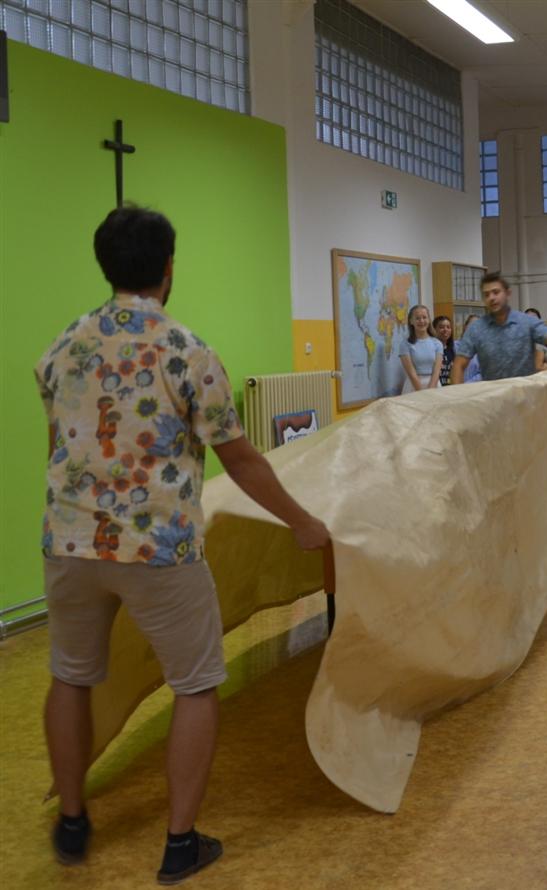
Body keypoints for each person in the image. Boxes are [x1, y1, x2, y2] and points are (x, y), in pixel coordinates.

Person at [36, 206, 331, 883]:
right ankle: (179, 843)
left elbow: (59, 448)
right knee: (195, 686)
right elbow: (242, 460)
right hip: (158, 548)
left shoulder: (63, 346)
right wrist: (302, 522)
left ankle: (73, 824)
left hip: (70, 541)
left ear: (104, 265)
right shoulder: (186, 351)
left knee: (71, 676)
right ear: (168, 268)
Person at [453, 275, 547, 385]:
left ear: (507, 293)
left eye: (496, 292)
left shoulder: (527, 322)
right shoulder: (476, 329)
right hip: (493, 397)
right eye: (486, 294)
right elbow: (459, 365)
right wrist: (457, 396)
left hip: (525, 396)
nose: (492, 298)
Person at [398, 304, 445, 394]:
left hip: (434, 385)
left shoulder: (437, 343)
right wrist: (422, 393)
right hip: (413, 387)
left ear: (429, 320)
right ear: (411, 321)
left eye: (424, 317)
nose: (422, 321)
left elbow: (437, 371)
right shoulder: (405, 344)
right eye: (417, 318)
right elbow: (411, 372)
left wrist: (430, 390)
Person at [432, 315, 455, 386]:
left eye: (448, 327)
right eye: (441, 327)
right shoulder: (431, 349)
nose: (445, 330)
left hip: (449, 388)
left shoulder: (452, 350)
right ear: (434, 329)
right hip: (434, 386)